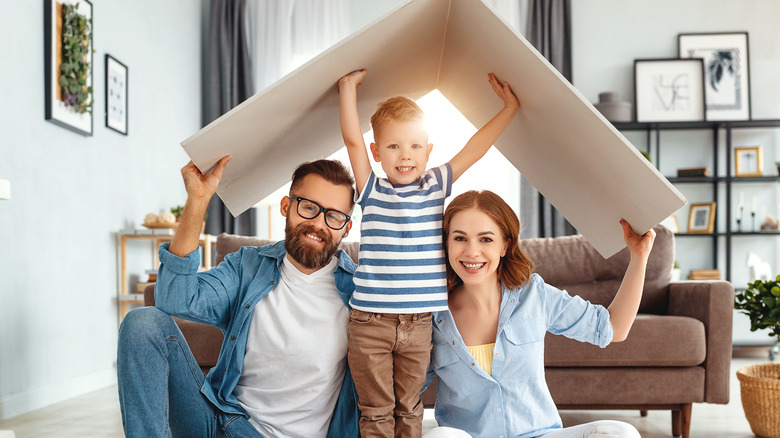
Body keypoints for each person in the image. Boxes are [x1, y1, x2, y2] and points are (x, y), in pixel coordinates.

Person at [117, 155, 361, 438]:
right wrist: (198, 200)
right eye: (309, 207)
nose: (319, 224)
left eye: (333, 216)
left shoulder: (361, 289)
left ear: (346, 227)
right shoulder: (248, 266)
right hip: (222, 424)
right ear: (286, 206)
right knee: (142, 323)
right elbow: (174, 298)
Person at [337, 68, 520, 437]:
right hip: (370, 323)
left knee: (409, 409)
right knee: (375, 412)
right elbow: (353, 142)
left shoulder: (436, 184)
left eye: (415, 146)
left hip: (420, 324)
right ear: (377, 152)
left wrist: (509, 108)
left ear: (428, 151)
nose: (405, 156)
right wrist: (347, 90)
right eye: (393, 146)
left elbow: (475, 148)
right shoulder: (372, 188)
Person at [425, 190, 656, 438]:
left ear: (505, 245)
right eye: (460, 238)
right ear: (446, 244)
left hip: (539, 434)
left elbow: (613, 327)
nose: (472, 252)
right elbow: (403, 391)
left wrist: (638, 257)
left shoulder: (534, 294)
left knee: (620, 432)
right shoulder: (430, 316)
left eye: (486, 240)